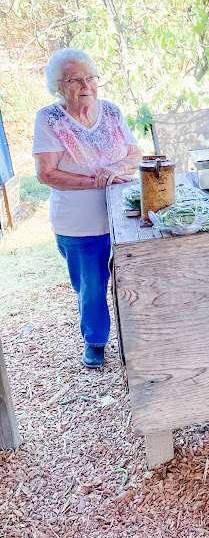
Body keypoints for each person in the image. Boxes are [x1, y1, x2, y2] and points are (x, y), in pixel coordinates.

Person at [32, 48, 142, 369]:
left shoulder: (111, 111)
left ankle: (135, 337)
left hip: (123, 216)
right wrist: (97, 181)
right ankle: (96, 340)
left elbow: (134, 154)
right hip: (79, 225)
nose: (86, 85)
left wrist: (116, 167)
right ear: (58, 86)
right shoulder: (49, 118)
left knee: (132, 279)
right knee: (91, 286)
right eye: (75, 79)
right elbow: (46, 173)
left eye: (91, 77)